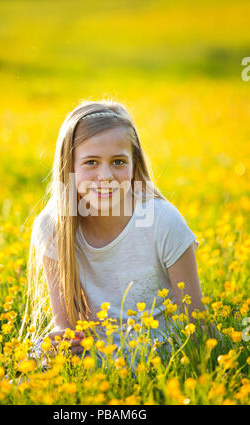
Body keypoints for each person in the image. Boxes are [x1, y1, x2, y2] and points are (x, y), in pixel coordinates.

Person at [19, 99, 208, 372]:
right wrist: (57, 343)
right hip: (92, 369)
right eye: (91, 162)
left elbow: (197, 324)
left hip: (165, 365)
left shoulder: (163, 221)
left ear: (135, 165)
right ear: (68, 167)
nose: (105, 175)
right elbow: (66, 324)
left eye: (118, 162)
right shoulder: (53, 227)